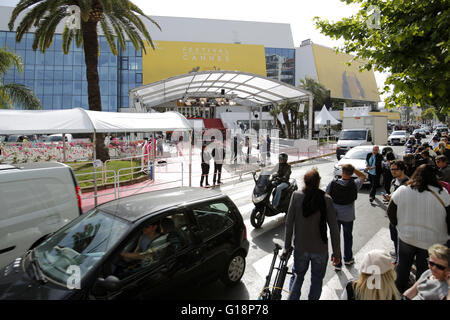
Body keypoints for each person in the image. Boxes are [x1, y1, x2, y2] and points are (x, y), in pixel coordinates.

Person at [387, 164, 450, 294]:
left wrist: (400, 226)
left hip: (406, 238)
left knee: (403, 266)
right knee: (424, 271)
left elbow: (391, 212)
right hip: (432, 241)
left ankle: (398, 291)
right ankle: (420, 293)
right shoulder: (443, 194)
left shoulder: (403, 190)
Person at [283, 168, 341, 300]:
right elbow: (334, 228)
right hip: (320, 250)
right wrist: (337, 253)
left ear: (305, 182)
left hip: (300, 248)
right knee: (316, 281)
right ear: (318, 182)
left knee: (296, 278)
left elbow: (289, 223)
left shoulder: (296, 196)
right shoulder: (327, 199)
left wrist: (286, 247)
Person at [326, 164, 365, 271]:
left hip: (335, 216)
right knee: (348, 237)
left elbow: (326, 196)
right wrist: (354, 169)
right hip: (348, 216)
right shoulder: (355, 184)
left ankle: (337, 262)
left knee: (335, 238)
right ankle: (348, 259)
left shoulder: (333, 183)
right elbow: (362, 176)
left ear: (342, 172)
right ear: (351, 173)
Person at [383, 160, 409, 264]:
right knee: (394, 237)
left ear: (402, 169)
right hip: (393, 216)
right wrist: (389, 197)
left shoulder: (408, 183)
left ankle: (400, 261)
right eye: (391, 169)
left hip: (403, 216)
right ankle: (397, 253)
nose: (393, 171)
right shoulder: (393, 181)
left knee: (402, 240)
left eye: (395, 169)